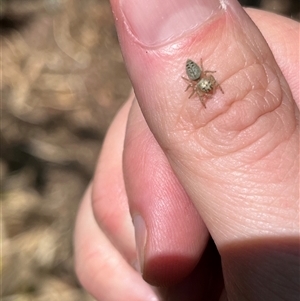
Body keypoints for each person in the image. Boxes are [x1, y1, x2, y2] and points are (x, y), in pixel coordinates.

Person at [74, 0, 299, 300]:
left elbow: (205, 79)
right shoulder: (199, 80)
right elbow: (198, 81)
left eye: (207, 86)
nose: (208, 88)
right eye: (206, 86)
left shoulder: (203, 80)